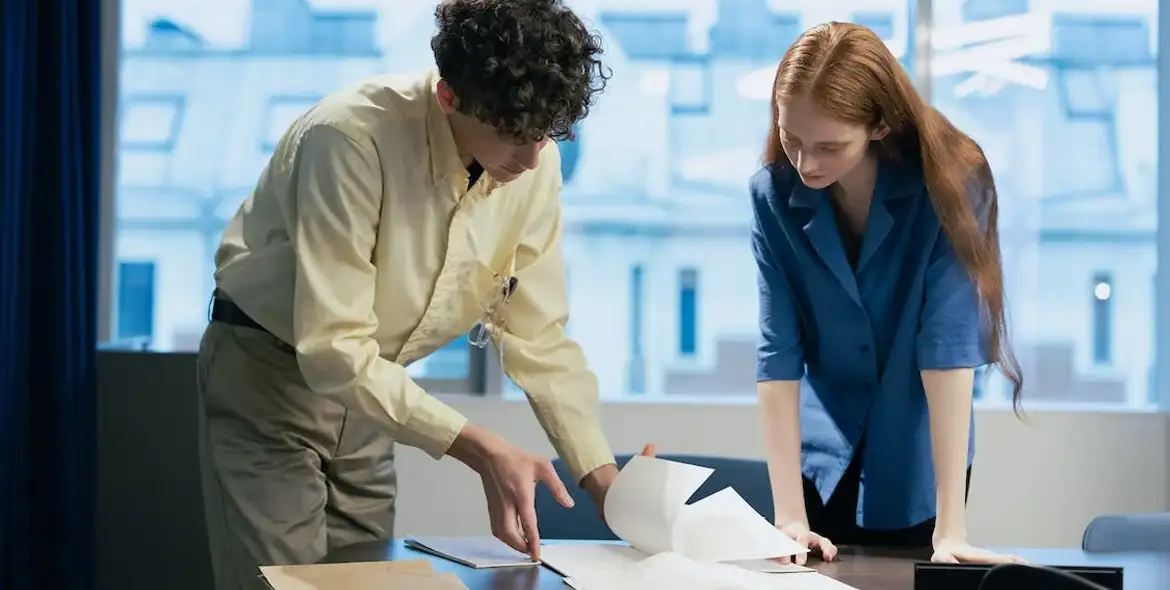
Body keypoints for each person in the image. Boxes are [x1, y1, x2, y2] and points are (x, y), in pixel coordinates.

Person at [195, 2, 642, 588]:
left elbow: (537, 335)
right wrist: (479, 447)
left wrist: (602, 478)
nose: (533, 158)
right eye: (513, 134)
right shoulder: (349, 139)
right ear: (449, 97)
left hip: (374, 389)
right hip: (269, 375)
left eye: (546, 134)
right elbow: (332, 348)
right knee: (285, 582)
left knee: (365, 580)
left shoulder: (535, 161)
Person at [749, 22, 1026, 565]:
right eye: (792, 139)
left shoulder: (952, 180)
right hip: (822, 455)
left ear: (878, 124)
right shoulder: (773, 196)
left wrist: (952, 531)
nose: (805, 164)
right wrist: (788, 519)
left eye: (829, 147)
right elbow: (777, 354)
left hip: (918, 455)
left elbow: (947, 345)